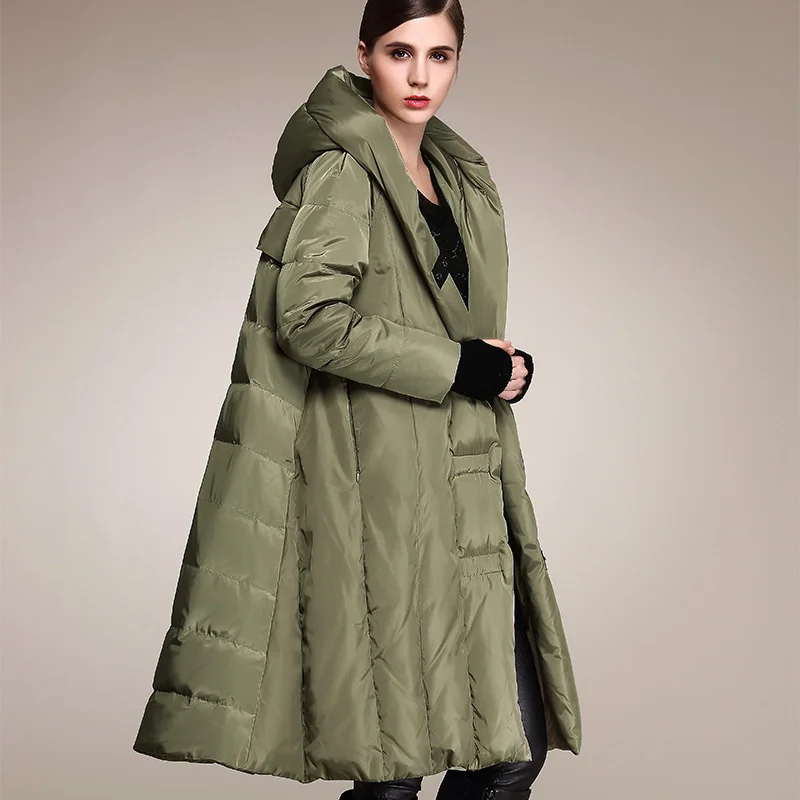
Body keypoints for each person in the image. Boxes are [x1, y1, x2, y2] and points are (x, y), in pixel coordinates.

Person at [132, 0, 582, 794]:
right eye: (400, 52)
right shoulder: (344, 172)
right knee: (392, 767)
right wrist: (459, 366)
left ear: (458, 61)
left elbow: (448, 323)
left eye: (439, 55)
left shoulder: (453, 177)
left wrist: (500, 368)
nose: (420, 75)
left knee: (505, 749)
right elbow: (308, 320)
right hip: (377, 492)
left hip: (462, 486)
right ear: (365, 54)